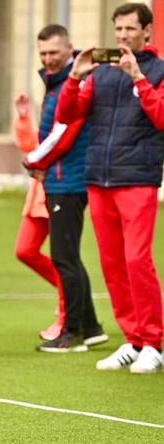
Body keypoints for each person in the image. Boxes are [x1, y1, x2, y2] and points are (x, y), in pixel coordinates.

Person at [57, 2, 164, 373]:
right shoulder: (100, 74)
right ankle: (132, 339)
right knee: (113, 264)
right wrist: (74, 77)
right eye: (118, 30)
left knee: (137, 260)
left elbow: (162, 116)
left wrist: (138, 77)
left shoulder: (159, 71)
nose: (122, 36)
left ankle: (153, 342)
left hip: (138, 177)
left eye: (130, 30)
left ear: (147, 31)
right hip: (98, 179)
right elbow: (67, 115)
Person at [14, 24, 109, 353]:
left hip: (68, 180)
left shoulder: (75, 81)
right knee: (67, 257)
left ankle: (72, 332)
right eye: (42, 53)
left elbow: (61, 133)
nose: (48, 58)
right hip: (59, 178)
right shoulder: (56, 84)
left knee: (64, 258)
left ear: (70, 49)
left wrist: (33, 161)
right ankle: (91, 326)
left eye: (54, 52)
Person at [13, 93, 66, 340]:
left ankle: (66, 317)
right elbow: (32, 146)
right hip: (39, 197)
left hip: (62, 193)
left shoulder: (73, 112)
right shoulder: (51, 112)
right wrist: (24, 118)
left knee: (64, 258)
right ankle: (70, 293)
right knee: (25, 250)